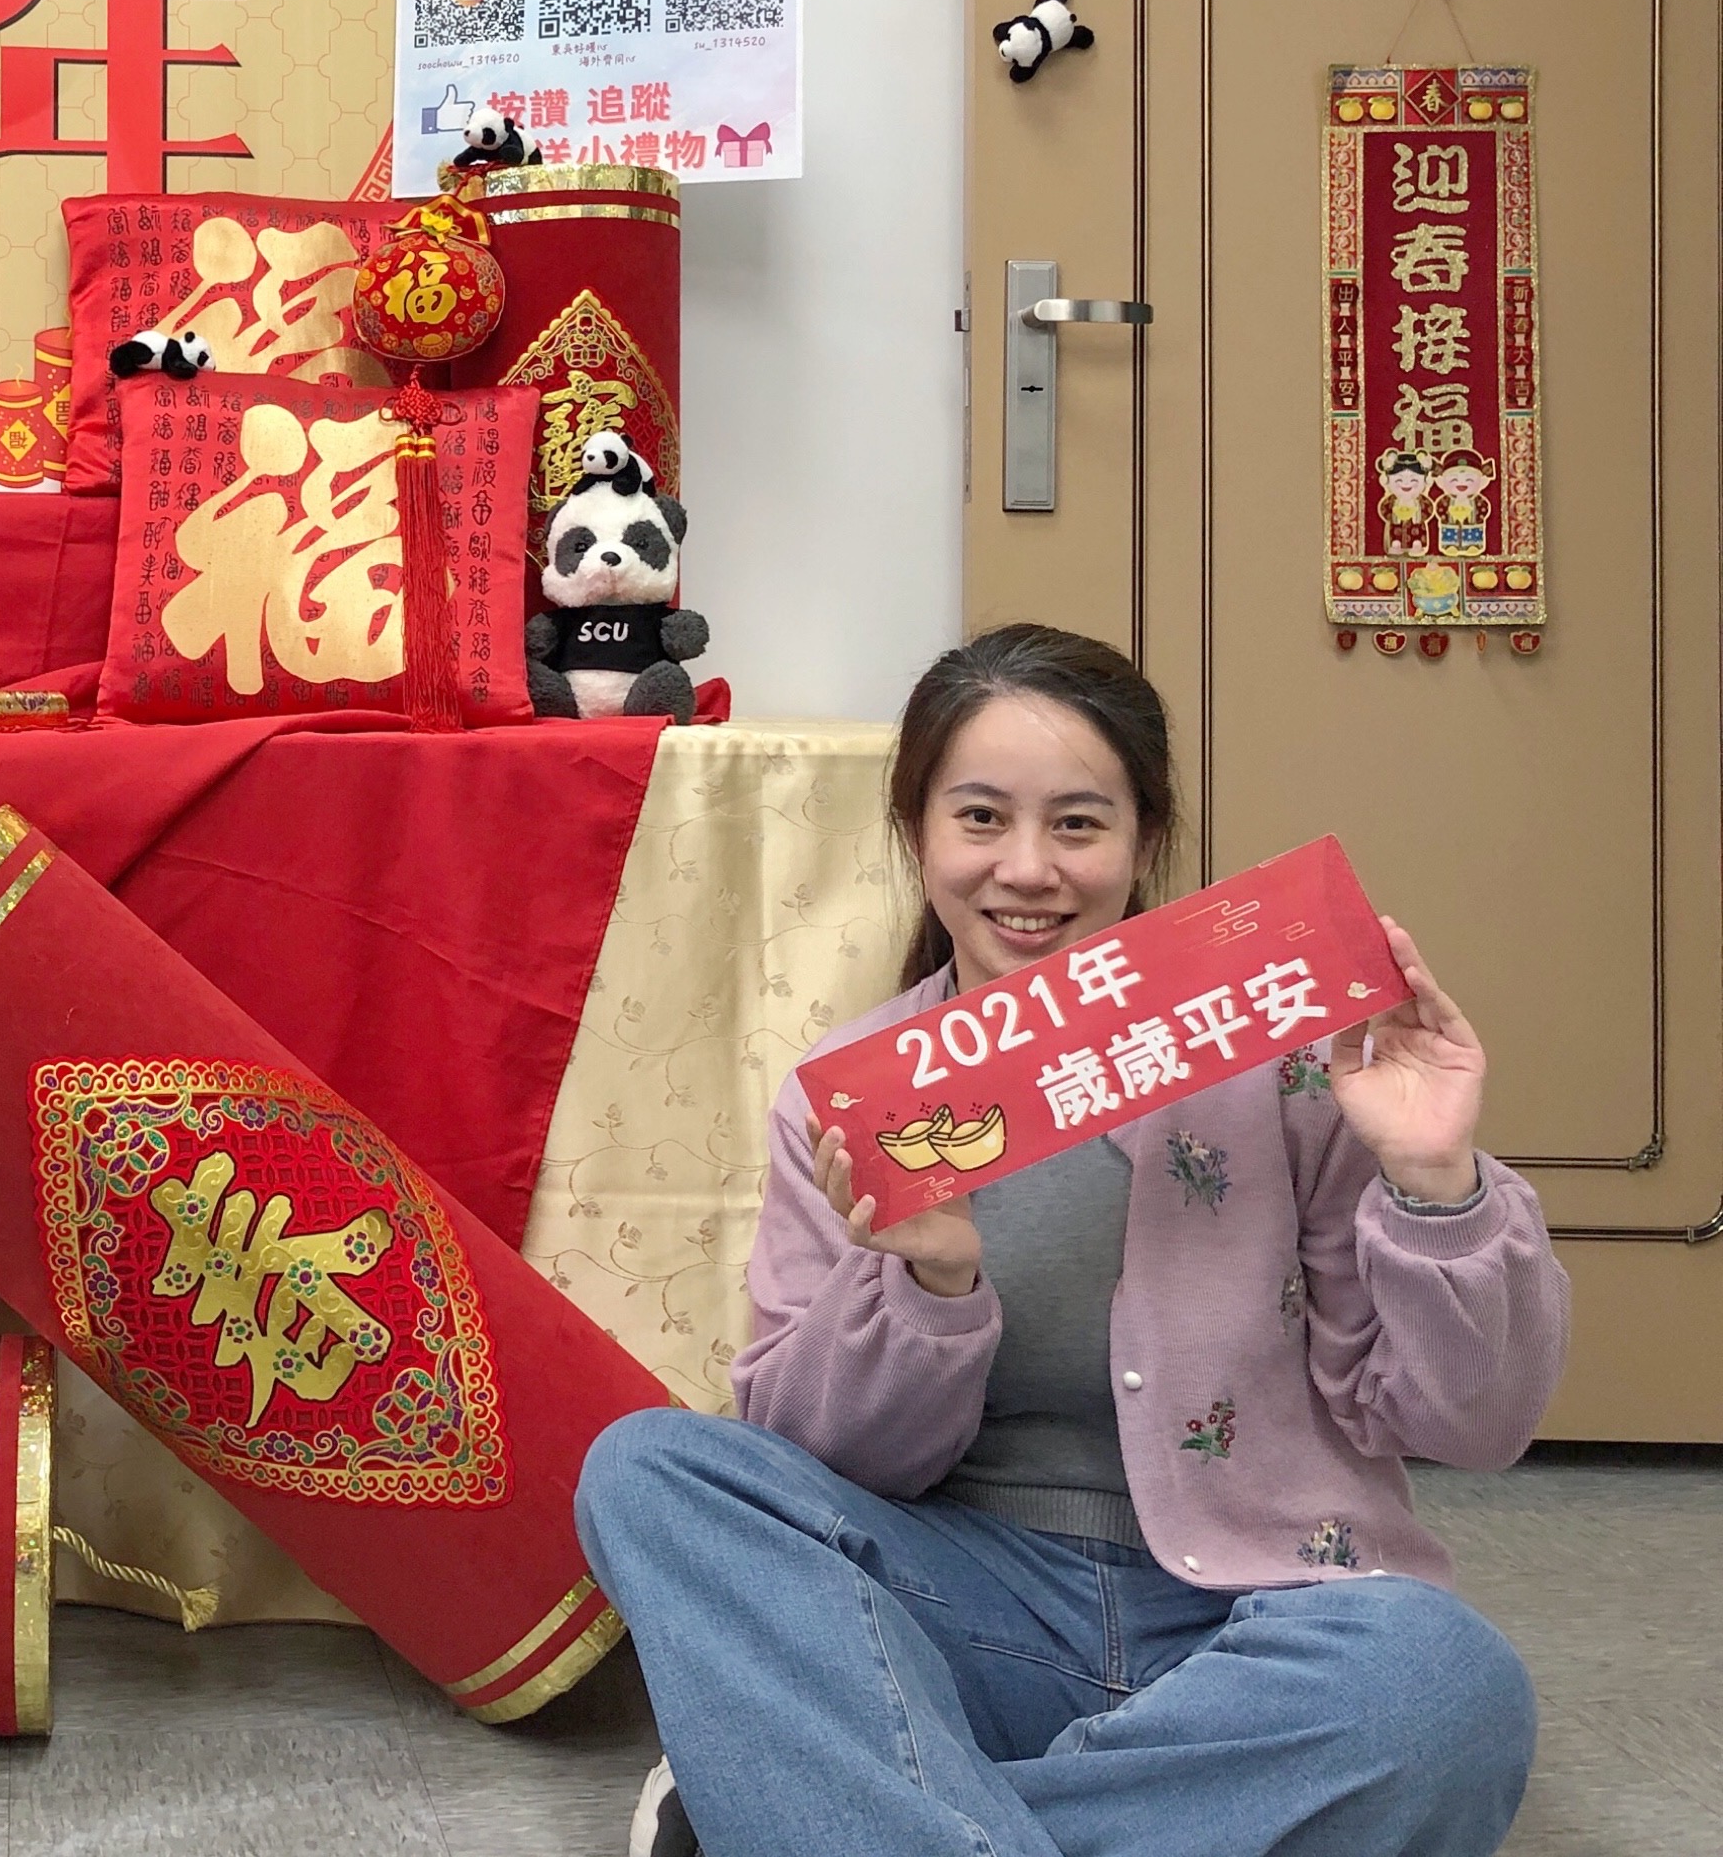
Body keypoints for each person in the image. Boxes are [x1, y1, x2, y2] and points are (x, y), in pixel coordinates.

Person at [575, 623, 1565, 1857]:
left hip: (1251, 1621)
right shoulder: (852, 1096)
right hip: (954, 1616)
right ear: (917, 835)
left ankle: (849, 1807)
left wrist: (1435, 1181)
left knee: (1444, 1683)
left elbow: (1471, 1425)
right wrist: (928, 1281)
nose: (1029, 869)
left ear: (1145, 841)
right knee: (653, 1469)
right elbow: (817, 1460)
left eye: (1079, 824)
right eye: (981, 819)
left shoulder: (1290, 1061)